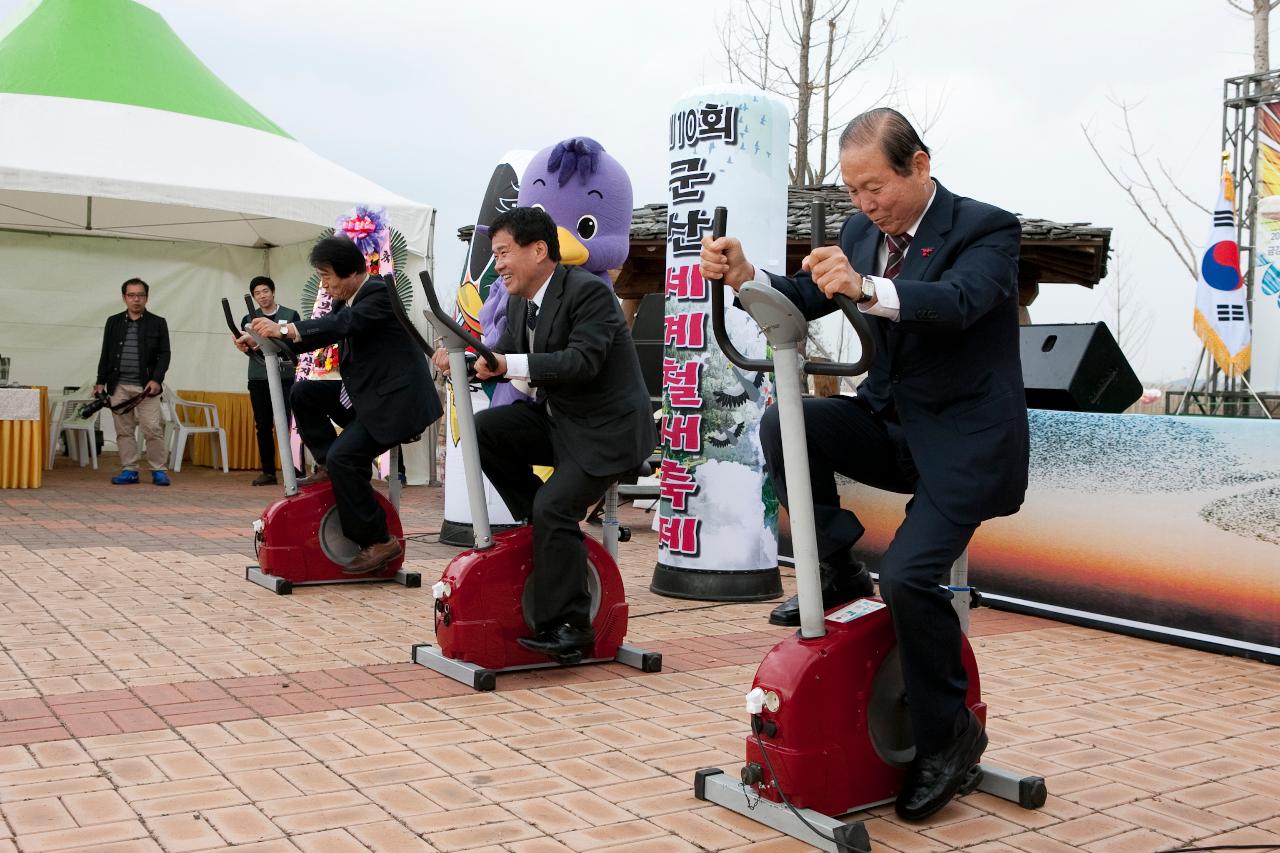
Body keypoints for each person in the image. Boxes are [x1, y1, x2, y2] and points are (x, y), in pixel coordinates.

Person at [700, 108, 1029, 822]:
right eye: (852, 191)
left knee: (910, 576)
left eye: (874, 186)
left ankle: (950, 736)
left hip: (965, 444)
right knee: (787, 420)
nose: (863, 204)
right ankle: (838, 566)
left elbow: (958, 303)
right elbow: (802, 296)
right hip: (891, 424)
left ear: (920, 164)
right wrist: (747, 275)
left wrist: (866, 289)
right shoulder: (859, 236)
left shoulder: (987, 228)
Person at [432, 206, 655, 661]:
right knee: (486, 431)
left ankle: (571, 627)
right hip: (561, 422)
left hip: (606, 432)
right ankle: (545, 527)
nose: (497, 265)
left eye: (502, 253)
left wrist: (503, 363)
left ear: (538, 250)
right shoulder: (520, 302)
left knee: (555, 505)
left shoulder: (590, 293)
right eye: (494, 255)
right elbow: (504, 357)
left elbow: (580, 363)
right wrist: (463, 355)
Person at [247, 236, 441, 575]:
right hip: (367, 395)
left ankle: (379, 539)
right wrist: (262, 342)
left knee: (345, 458)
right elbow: (320, 335)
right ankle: (326, 464)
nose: (324, 285)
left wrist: (284, 326)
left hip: (394, 404)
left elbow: (343, 326)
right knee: (303, 393)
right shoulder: (347, 298)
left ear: (351, 272)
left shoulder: (378, 293)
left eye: (326, 276)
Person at [95, 278, 172, 486]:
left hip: (146, 387)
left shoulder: (158, 322)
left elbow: (165, 354)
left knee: (152, 428)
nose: (136, 299)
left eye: (140, 295)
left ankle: (158, 470)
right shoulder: (113, 321)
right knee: (124, 430)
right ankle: (129, 469)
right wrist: (100, 382)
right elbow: (106, 353)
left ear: (146, 297)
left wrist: (156, 379)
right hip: (118, 384)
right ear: (124, 298)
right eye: (131, 295)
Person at [237, 276, 302, 486]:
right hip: (259, 376)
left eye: (265, 291)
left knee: (292, 423)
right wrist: (245, 345)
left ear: (273, 292)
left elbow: (297, 343)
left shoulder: (290, 314)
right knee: (263, 424)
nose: (262, 296)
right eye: (257, 293)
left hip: (285, 376)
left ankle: (296, 470)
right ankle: (268, 472)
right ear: (253, 297)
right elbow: (245, 346)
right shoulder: (249, 318)